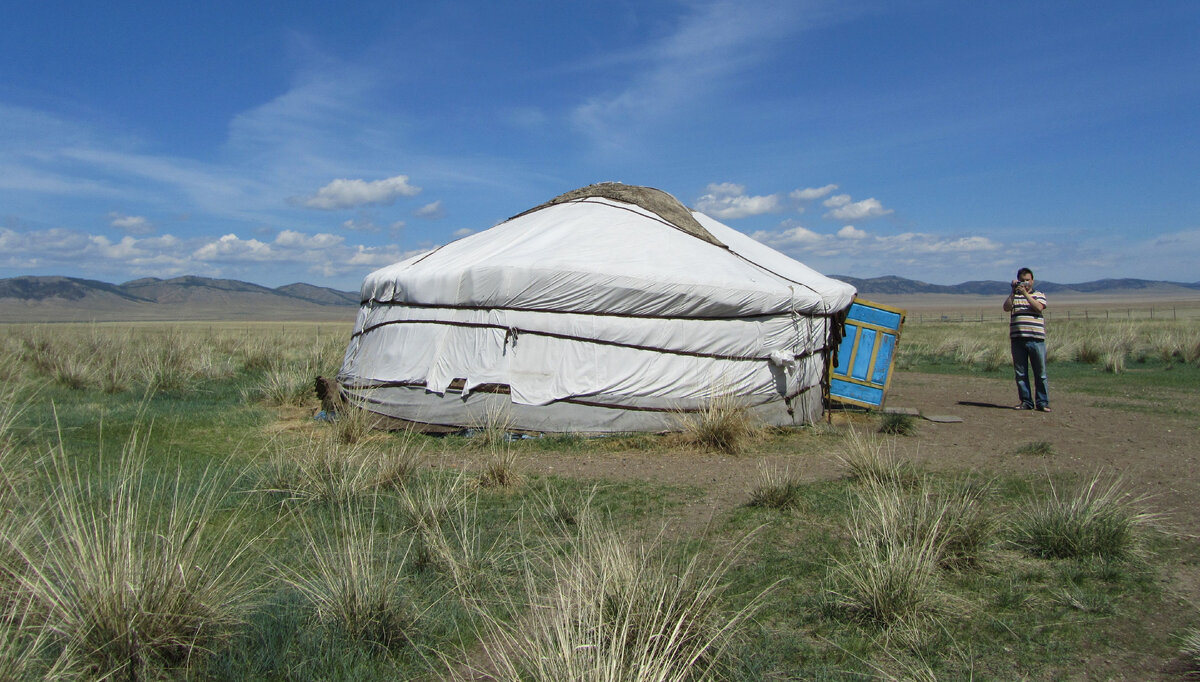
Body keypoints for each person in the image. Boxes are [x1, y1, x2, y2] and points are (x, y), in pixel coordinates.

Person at [1002, 267, 1049, 411]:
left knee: (1040, 373)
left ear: (1032, 281)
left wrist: (1026, 294)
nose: (1025, 283)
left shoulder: (1039, 295)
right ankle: (1026, 401)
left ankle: (1042, 402)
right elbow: (1006, 307)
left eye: (1027, 280)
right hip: (1018, 339)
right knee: (1021, 373)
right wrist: (1013, 292)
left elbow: (1039, 308)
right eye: (1022, 281)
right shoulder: (1015, 296)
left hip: (1036, 339)